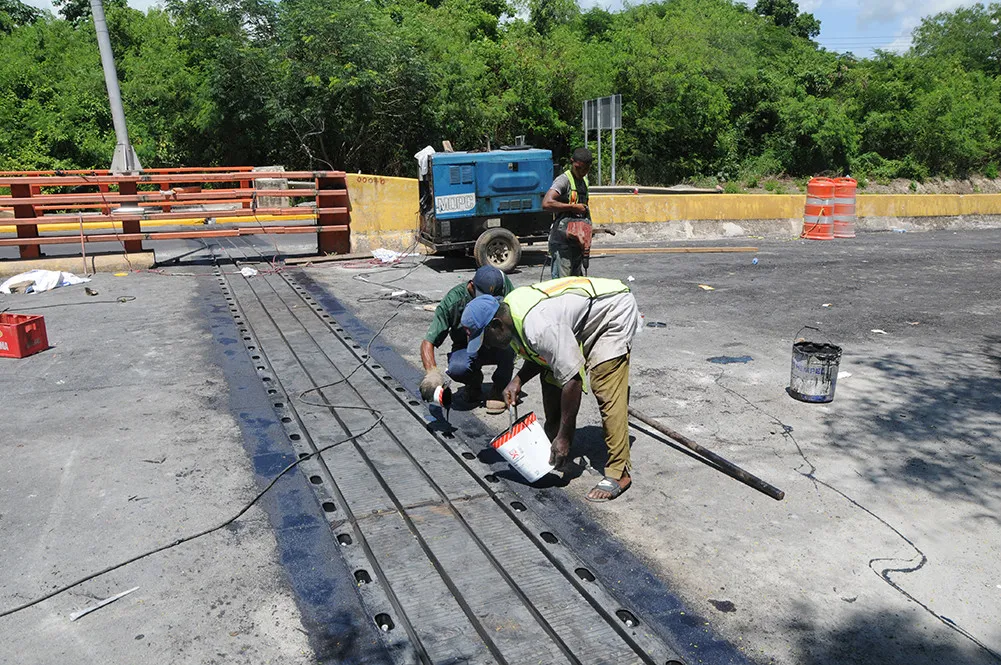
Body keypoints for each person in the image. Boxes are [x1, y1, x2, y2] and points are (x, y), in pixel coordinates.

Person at [461, 276, 640, 501]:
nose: (486, 345)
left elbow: (573, 378)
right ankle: (555, 441)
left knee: (606, 387)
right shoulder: (510, 317)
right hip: (576, 317)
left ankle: (618, 472)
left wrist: (565, 436)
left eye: (485, 338)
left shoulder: (539, 326)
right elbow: (541, 356)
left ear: (497, 324)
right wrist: (518, 380)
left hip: (612, 311)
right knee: (551, 375)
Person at [419, 265, 515, 414]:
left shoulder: (501, 285)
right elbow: (428, 341)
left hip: (495, 341)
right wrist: (431, 372)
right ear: (471, 285)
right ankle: (474, 385)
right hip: (467, 346)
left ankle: (499, 388)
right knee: (457, 368)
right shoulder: (454, 301)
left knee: (509, 346)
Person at [542, 148, 593, 279]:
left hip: (576, 242)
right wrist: (572, 207)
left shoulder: (584, 182)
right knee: (562, 285)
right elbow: (547, 203)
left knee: (576, 284)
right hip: (562, 243)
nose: (582, 172)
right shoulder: (563, 181)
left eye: (586, 169)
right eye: (579, 168)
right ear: (572, 163)